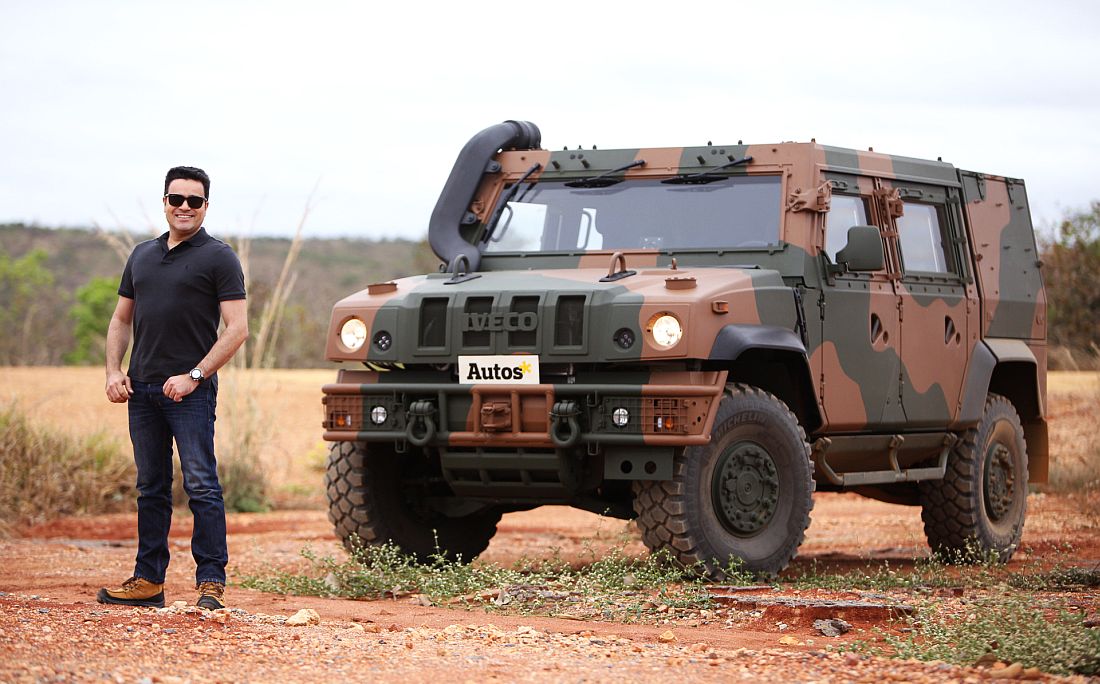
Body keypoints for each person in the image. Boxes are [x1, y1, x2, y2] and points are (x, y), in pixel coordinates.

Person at [98, 166, 249, 610]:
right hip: (141, 391)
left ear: (206, 206)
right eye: (176, 199)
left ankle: (211, 583)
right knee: (151, 487)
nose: (184, 207)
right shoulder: (141, 255)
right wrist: (113, 370)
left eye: (194, 201)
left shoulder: (219, 257)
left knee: (201, 485)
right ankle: (148, 581)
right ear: (164, 201)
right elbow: (121, 318)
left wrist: (195, 376)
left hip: (190, 393)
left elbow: (237, 329)